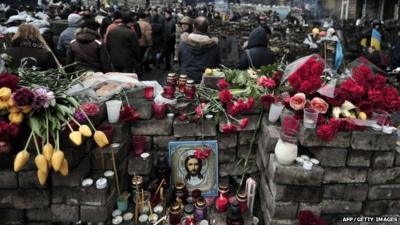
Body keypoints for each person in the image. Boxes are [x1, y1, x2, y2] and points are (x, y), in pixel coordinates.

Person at [178, 16, 220, 83]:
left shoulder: (183, 44)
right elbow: (217, 66)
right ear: (208, 28)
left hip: (187, 81)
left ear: (193, 26)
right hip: (206, 83)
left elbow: (180, 62)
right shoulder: (214, 47)